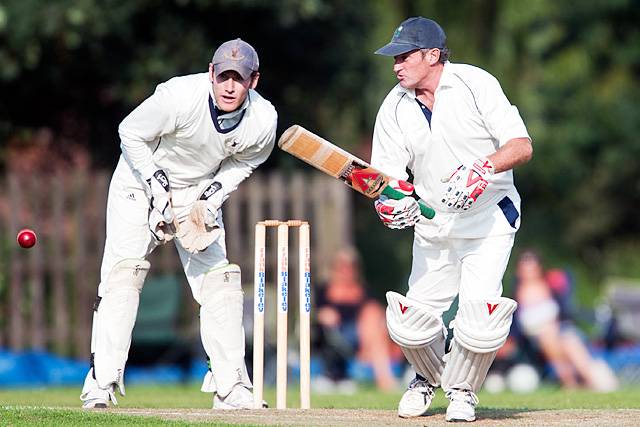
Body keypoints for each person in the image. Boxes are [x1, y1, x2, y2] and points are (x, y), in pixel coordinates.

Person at [80, 38, 277, 409]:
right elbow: (129, 132)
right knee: (124, 275)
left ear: (254, 81)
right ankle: (101, 383)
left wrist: (212, 196)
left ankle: (230, 386)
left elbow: (245, 161)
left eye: (240, 78)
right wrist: (156, 184)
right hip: (140, 183)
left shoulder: (263, 120)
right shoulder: (178, 96)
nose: (230, 86)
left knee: (221, 280)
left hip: (197, 192)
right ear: (211, 73)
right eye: (224, 77)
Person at [371, 17, 533, 421]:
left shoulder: (475, 84)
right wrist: (393, 203)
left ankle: (462, 392)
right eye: (394, 58)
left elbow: (521, 145)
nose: (397, 65)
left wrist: (483, 168)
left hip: (488, 219)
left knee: (480, 320)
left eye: (405, 56)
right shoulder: (394, 106)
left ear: (433, 55)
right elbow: (387, 178)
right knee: (410, 323)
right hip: (434, 225)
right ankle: (426, 379)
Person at [513, 250, 618, 391]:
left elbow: (566, 311)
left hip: (560, 331)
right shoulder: (515, 295)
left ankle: (588, 380)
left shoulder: (550, 286)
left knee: (569, 341)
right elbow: (516, 328)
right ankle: (572, 382)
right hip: (534, 340)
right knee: (548, 336)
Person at [314, 247, 401, 392]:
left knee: (373, 314)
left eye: (351, 266)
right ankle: (384, 378)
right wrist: (321, 314)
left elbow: (376, 315)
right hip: (335, 333)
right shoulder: (324, 290)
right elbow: (314, 314)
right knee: (372, 318)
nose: (346, 271)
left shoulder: (363, 291)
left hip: (362, 334)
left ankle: (382, 373)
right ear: (334, 268)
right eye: (342, 266)